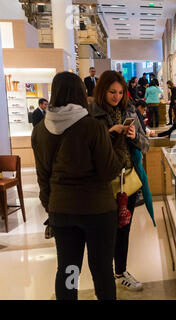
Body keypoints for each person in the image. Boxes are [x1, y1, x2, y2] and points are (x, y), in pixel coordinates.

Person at [31, 71, 127, 300]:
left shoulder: (40, 131)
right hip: (98, 211)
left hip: (62, 212)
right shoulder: (92, 127)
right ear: (81, 94)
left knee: (68, 269)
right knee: (102, 270)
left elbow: (42, 177)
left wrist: (51, 207)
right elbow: (109, 170)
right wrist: (117, 141)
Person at [89, 70, 149, 292]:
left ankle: (120, 271)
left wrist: (134, 137)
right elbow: (88, 150)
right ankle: (104, 277)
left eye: (120, 92)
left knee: (124, 228)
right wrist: (110, 133)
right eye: (112, 91)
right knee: (105, 232)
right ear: (102, 90)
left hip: (128, 181)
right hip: (104, 183)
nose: (116, 96)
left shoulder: (130, 110)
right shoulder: (92, 114)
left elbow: (146, 144)